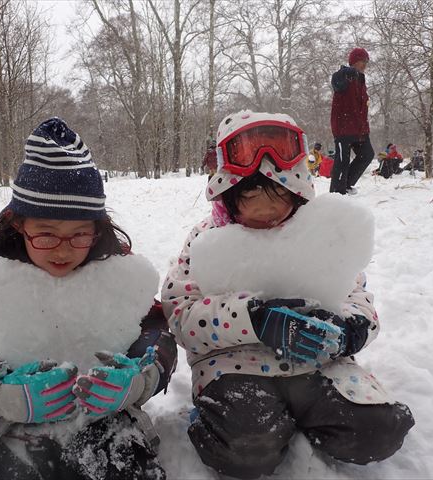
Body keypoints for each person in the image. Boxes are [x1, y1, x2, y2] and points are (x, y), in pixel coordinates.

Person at [0, 117, 177, 480]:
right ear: (19, 224)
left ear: (97, 229)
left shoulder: (116, 273)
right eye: (46, 234)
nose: (63, 251)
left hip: (98, 419)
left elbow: (157, 335)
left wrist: (139, 379)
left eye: (79, 234)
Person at [161, 110, 414, 479]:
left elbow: (356, 294)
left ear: (298, 192)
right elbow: (181, 315)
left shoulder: (318, 236)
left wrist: (350, 329)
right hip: (233, 366)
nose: (267, 213)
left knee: (380, 430)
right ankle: (229, 424)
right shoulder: (206, 239)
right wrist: (254, 320)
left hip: (318, 364)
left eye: (279, 196)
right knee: (246, 451)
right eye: (251, 197)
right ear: (229, 197)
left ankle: (306, 417)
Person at [330, 47, 374, 195]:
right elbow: (336, 81)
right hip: (344, 128)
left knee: (367, 154)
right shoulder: (344, 76)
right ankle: (337, 193)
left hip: (359, 128)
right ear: (354, 61)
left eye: (366, 62)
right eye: (362, 61)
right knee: (342, 161)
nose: (365, 64)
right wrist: (345, 73)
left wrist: (364, 127)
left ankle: (346, 184)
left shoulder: (361, 81)